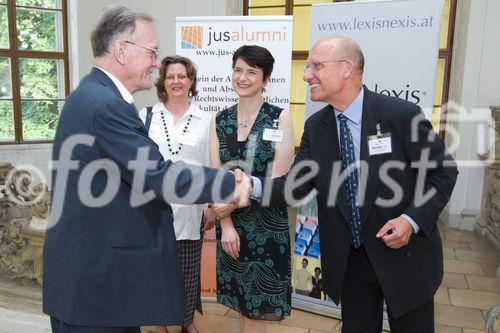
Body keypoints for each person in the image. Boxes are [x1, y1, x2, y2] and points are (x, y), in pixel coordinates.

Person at [43, 6, 250, 333]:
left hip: (101, 280)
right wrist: (233, 183)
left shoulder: (95, 95)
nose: (156, 63)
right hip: (94, 289)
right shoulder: (106, 104)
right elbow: (161, 176)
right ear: (121, 50)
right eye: (152, 52)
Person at [259, 36, 458, 332]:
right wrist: (248, 187)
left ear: (346, 68)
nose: (306, 74)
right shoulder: (317, 126)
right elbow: (295, 186)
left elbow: (442, 172)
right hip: (352, 262)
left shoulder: (400, 116)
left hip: (404, 255)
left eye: (316, 65)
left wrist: (410, 220)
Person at [209, 45, 295, 333]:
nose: (242, 77)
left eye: (251, 72)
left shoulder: (280, 118)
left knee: (259, 309)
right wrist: (226, 224)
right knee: (243, 305)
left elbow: (277, 183)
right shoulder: (219, 121)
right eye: (238, 70)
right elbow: (216, 178)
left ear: (265, 79)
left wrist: (228, 208)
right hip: (231, 227)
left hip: (267, 224)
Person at [139, 55, 212, 333]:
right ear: (163, 81)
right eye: (170, 76)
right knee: (156, 271)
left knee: (187, 271)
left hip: (191, 209)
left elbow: (209, 164)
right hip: (154, 209)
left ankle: (186, 321)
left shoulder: (206, 120)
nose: (176, 81)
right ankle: (160, 323)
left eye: (182, 76)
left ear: (191, 81)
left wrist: (209, 204)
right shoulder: (146, 117)